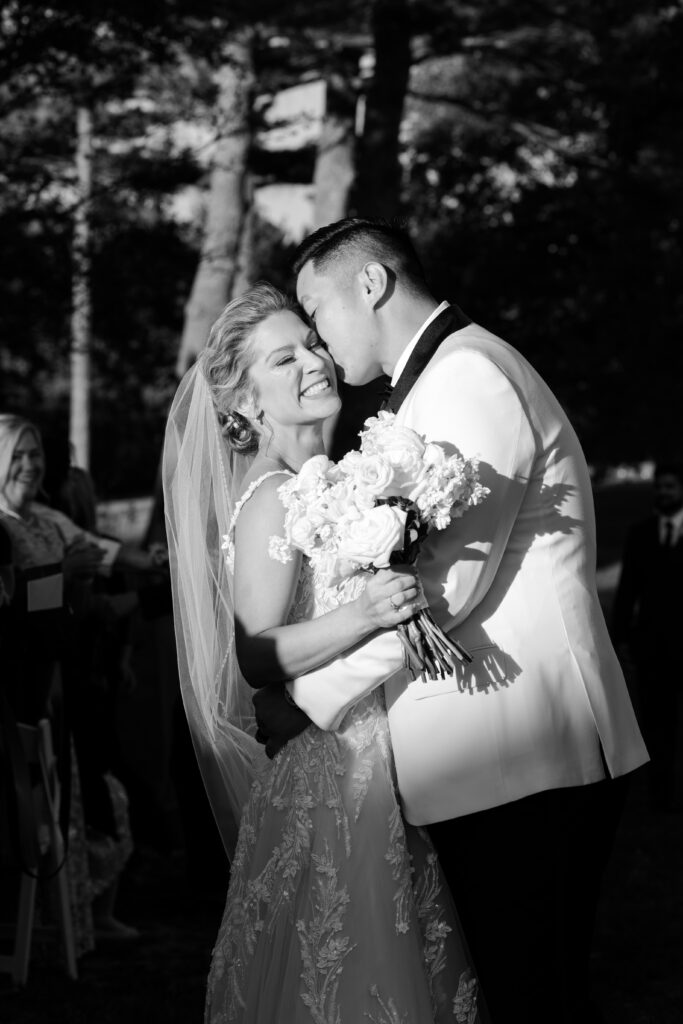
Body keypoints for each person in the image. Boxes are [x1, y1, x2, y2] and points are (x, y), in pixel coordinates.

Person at [252, 218, 650, 1024]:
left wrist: (312, 699)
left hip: (524, 751)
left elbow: (441, 588)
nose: (321, 343)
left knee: (533, 994)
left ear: (371, 285)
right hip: (496, 757)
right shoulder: (440, 379)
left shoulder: (468, 375)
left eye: (316, 311)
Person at [163, 283, 485, 1023]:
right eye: (284, 358)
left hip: (377, 749)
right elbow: (257, 654)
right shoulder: (272, 495)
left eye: (309, 342)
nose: (312, 359)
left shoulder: (339, 481)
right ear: (244, 405)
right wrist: (372, 610)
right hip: (330, 773)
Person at [0, 415, 138, 946]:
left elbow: (101, 554)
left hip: (55, 680)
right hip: (16, 688)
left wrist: (156, 561)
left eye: (35, 455)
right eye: (18, 455)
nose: (31, 466)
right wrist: (63, 577)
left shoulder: (47, 519)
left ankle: (65, 923)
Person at [612, 462, 683, 810]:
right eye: (660, 487)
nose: (663, 493)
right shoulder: (640, 533)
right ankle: (661, 793)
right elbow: (627, 591)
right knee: (656, 721)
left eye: (670, 486)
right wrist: (620, 637)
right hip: (651, 645)